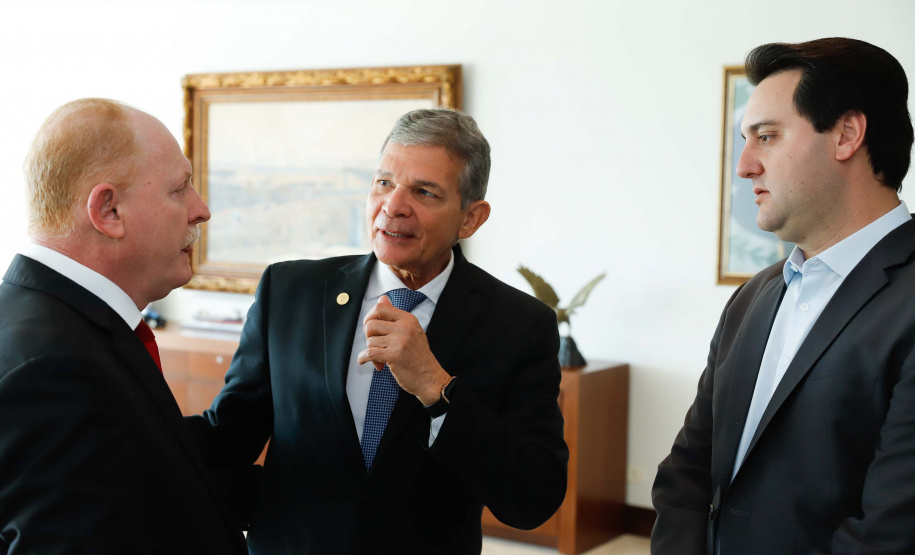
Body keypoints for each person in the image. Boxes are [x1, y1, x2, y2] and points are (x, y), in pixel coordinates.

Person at [186, 108, 569, 554]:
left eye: (424, 192)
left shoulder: (520, 326)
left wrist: (435, 386)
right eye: (384, 182)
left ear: (470, 218)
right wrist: (131, 427)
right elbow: (229, 436)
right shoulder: (290, 291)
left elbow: (533, 497)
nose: (393, 206)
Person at [651, 38, 915, 555]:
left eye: (766, 137)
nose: (744, 165)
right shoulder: (754, 296)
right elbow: (687, 471)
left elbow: (892, 532)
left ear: (846, 135)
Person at [0, 98, 247, 554]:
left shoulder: (43, 321)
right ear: (109, 211)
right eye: (180, 189)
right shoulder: (57, 371)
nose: (201, 210)